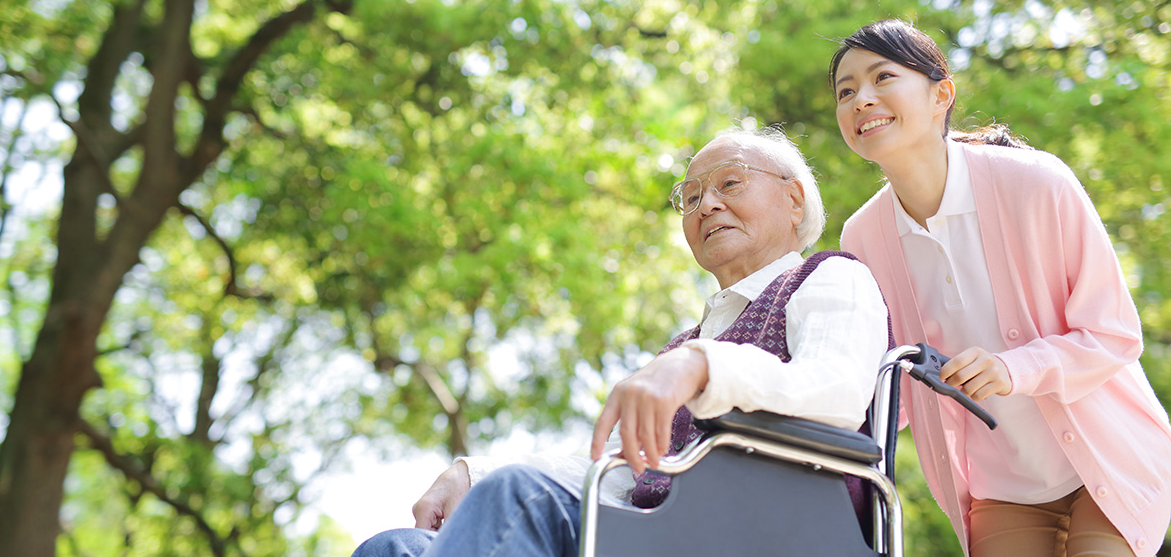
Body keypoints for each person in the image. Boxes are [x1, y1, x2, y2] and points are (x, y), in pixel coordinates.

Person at [350, 127, 891, 557]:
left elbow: (837, 391)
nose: (706, 205)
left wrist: (703, 366)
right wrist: (473, 474)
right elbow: (616, 466)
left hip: (776, 528)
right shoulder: (684, 344)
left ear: (794, 200)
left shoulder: (830, 277)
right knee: (394, 547)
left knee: (519, 496)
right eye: (692, 197)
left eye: (729, 184)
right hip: (655, 527)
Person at [832, 19, 1171, 557]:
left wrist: (1014, 369)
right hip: (1003, 489)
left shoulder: (1038, 184)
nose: (861, 99)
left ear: (942, 94)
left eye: (882, 77)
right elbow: (889, 384)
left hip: (1111, 458)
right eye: (845, 91)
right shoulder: (862, 237)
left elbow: (1115, 334)